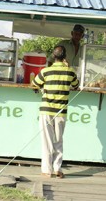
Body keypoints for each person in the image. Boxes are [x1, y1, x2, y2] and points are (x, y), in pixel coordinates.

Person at [32, 45, 79, 178]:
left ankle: (47, 170)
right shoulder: (70, 72)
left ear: (53, 56)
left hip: (46, 111)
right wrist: (67, 66)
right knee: (58, 140)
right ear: (65, 57)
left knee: (47, 141)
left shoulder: (46, 71)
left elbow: (34, 84)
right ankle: (57, 168)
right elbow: (76, 85)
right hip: (61, 112)